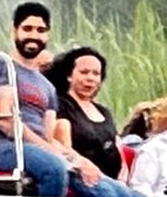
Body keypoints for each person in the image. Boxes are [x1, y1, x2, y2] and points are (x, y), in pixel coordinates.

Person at [0, 3, 138, 197]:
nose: (34, 35)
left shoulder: (47, 87)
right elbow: (5, 122)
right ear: (14, 31)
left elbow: (49, 137)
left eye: (41, 30)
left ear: (47, 36)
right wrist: (52, 152)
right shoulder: (0, 66)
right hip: (2, 148)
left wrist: (80, 161)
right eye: (27, 28)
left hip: (42, 151)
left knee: (115, 191)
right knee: (55, 168)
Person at [46, 47, 133, 183]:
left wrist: (123, 175)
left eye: (96, 73)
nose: (90, 78)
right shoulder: (61, 105)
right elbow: (63, 150)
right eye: (84, 72)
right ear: (69, 76)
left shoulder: (104, 112)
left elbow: (117, 146)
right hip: (81, 180)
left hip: (114, 181)